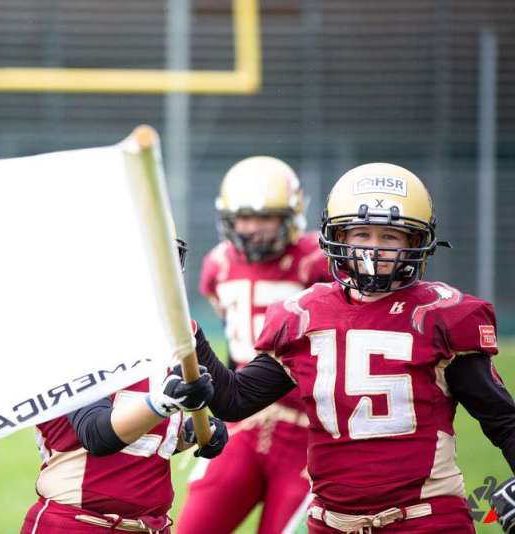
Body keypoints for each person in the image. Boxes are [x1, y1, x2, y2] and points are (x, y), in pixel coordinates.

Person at [189, 162, 515, 533]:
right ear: (338, 236)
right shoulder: (303, 315)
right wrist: (192, 338)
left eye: (389, 237)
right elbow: (236, 399)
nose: (373, 249)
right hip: (332, 523)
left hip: (424, 520)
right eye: (361, 234)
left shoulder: (441, 317)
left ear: (415, 241)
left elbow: (502, 419)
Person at [20, 239, 229, 534]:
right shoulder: (69, 333)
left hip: (153, 526)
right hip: (79, 524)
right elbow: (97, 434)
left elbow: (138, 442)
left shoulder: (167, 335)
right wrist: (168, 401)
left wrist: (186, 435)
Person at [177, 156, 328, 534]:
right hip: (243, 424)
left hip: (306, 431)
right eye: (244, 217)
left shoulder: (317, 263)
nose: (253, 229)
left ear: (290, 216)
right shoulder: (218, 266)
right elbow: (233, 341)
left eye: (265, 218)